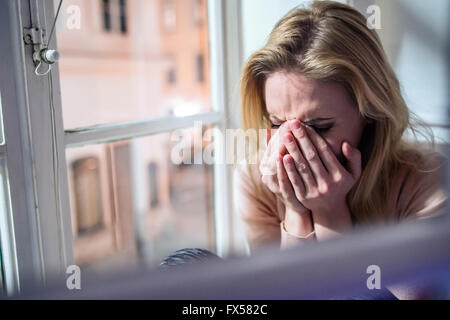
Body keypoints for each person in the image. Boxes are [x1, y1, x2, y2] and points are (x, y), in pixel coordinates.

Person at [235, 1, 447, 299]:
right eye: (276, 123)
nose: (292, 146)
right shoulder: (256, 179)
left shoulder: (425, 178)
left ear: (370, 114)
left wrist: (331, 215)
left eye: (320, 128)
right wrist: (296, 212)